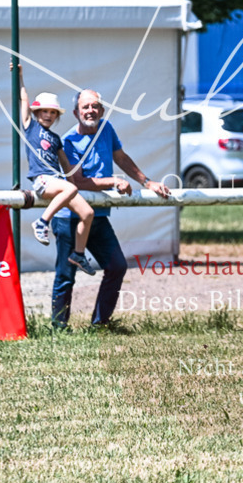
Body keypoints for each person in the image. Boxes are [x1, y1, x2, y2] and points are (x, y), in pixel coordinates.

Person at [51, 89, 171, 329]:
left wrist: (147, 182)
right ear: (76, 113)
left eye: (95, 106)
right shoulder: (67, 142)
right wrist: (114, 181)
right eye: (85, 107)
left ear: (102, 111)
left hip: (97, 215)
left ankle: (100, 324)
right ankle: (58, 329)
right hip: (70, 218)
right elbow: (79, 182)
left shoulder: (106, 128)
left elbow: (122, 158)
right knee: (66, 276)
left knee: (117, 266)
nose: (90, 111)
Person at [19, 76, 97, 276]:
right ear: (36, 112)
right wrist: (20, 77)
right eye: (45, 111)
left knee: (88, 214)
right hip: (42, 181)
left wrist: (72, 187)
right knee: (70, 188)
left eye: (53, 112)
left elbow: (65, 165)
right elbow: (23, 100)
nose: (48, 115)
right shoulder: (31, 127)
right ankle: (42, 222)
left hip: (58, 184)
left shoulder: (55, 139)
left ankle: (78, 253)